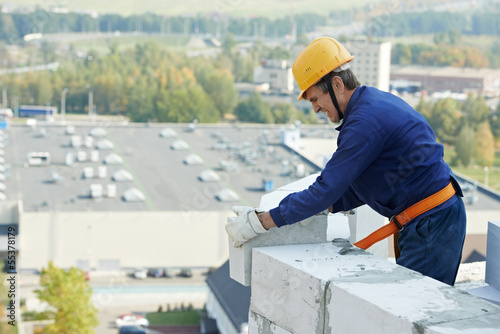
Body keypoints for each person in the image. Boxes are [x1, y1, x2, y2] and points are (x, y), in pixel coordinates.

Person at [225, 37, 466, 286]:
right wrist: (323, 206)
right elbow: (375, 180)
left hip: (432, 222)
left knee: (414, 310)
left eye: (315, 99)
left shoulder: (364, 124)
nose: (316, 109)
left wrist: (260, 222)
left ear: (337, 84)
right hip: (430, 218)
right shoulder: (370, 104)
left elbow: (326, 188)